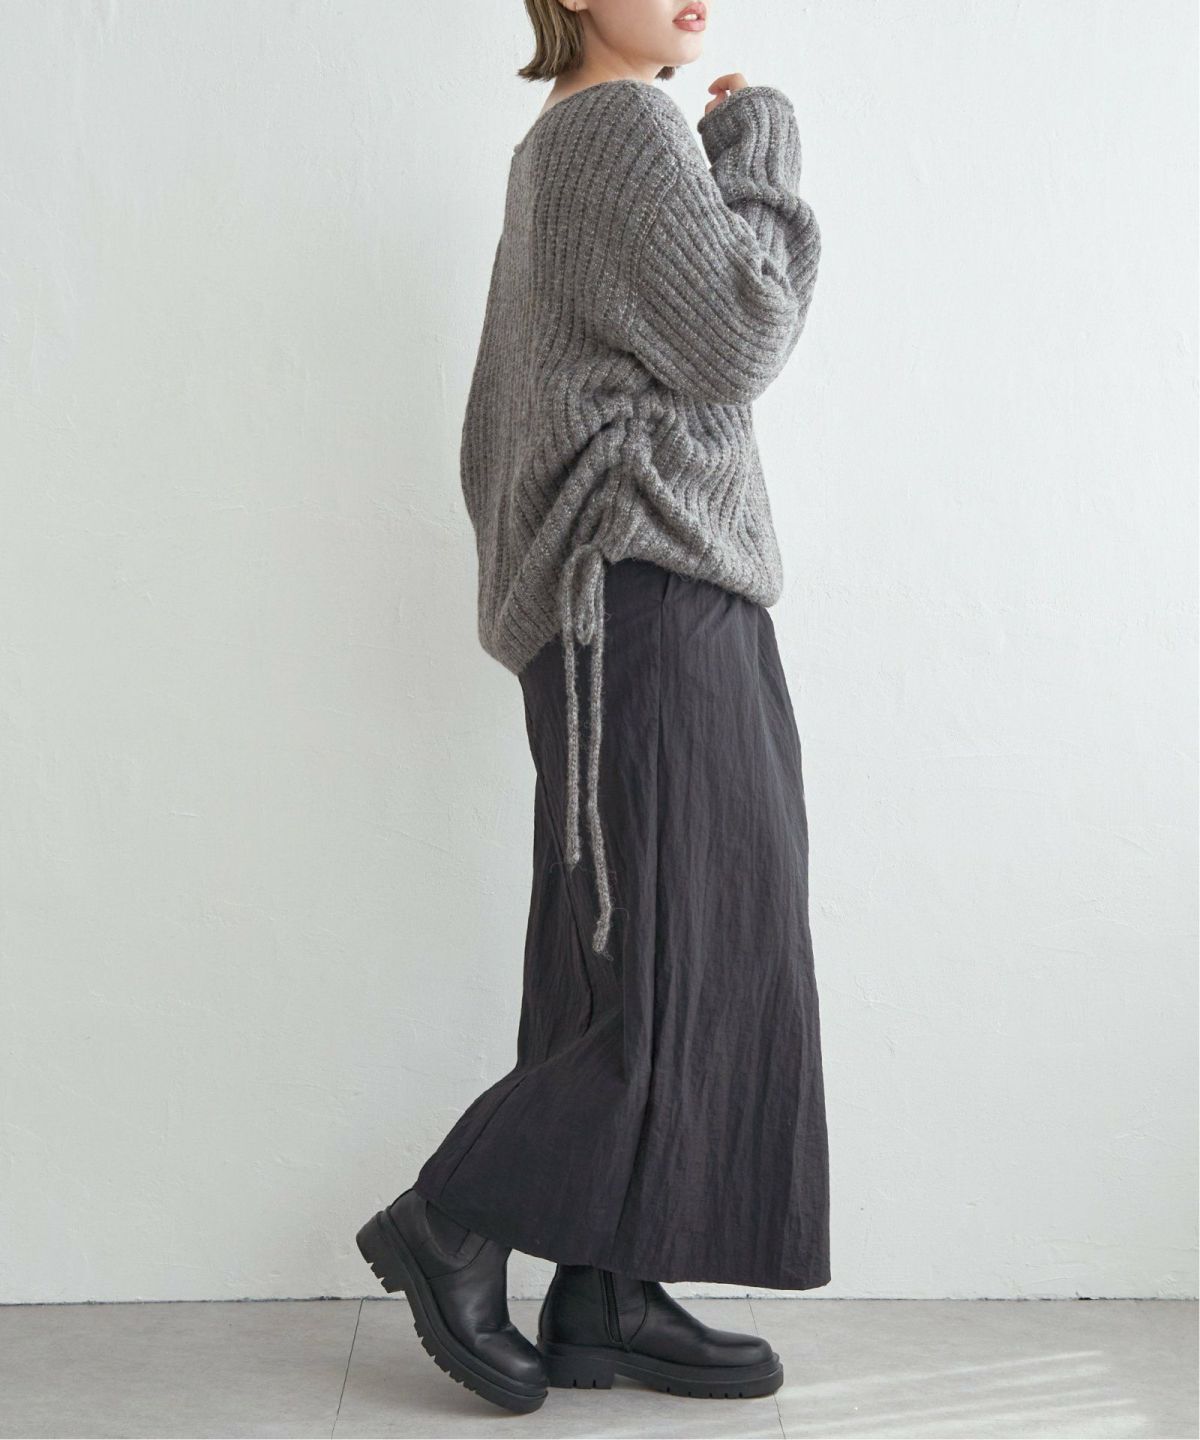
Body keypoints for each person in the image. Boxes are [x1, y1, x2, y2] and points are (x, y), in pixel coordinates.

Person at [356, 0, 829, 1415]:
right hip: (645, 593)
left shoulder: (574, 142)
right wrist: (760, 148)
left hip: (632, 597)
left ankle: (608, 1291)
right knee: (686, 954)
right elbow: (743, 332)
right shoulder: (622, 127)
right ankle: (452, 1220)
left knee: (644, 952)